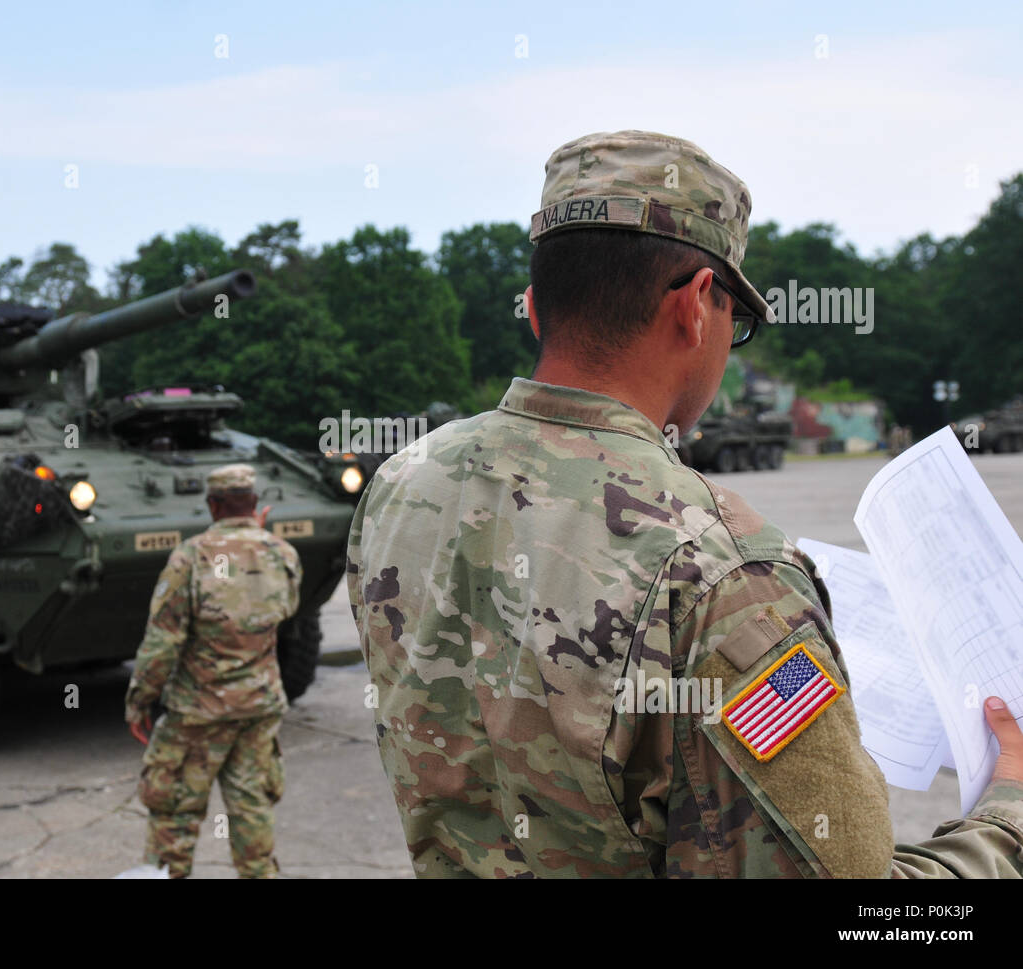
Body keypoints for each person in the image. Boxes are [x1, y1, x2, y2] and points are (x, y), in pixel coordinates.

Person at [347, 130, 1023, 878]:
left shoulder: (403, 485)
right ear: (699, 304)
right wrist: (1007, 817)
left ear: (536, 309)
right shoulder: (724, 570)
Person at [125, 462, 301, 878]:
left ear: (212, 505)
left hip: (198, 713)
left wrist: (140, 700)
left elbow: (163, 641)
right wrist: (258, 537)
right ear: (255, 503)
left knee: (174, 817)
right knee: (252, 811)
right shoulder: (282, 553)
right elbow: (285, 610)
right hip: (259, 708)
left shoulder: (190, 557)